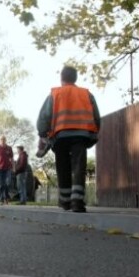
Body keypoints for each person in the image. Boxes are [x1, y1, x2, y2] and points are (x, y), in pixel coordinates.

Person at [37, 66, 100, 212]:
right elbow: (96, 117)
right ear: (75, 78)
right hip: (81, 135)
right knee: (79, 167)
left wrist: (42, 134)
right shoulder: (86, 94)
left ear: (62, 78)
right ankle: (77, 201)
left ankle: (65, 201)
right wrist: (94, 134)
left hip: (60, 135)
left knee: (62, 167)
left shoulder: (55, 94)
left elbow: (44, 117)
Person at [0, 135, 14, 204]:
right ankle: (1, 199)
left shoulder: (9, 148)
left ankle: (6, 197)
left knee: (8, 183)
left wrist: (13, 167)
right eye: (1, 140)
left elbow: (11, 158)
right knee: (0, 184)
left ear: (5, 140)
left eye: (4, 139)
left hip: (8, 168)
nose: (3, 141)